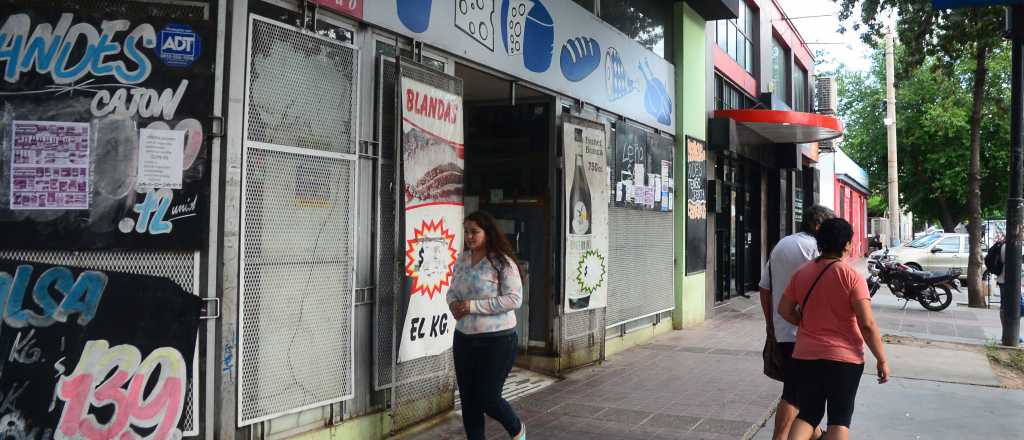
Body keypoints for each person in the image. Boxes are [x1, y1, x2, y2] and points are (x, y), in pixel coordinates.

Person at [778, 218, 890, 440]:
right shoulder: (851, 277)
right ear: (847, 244)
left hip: (806, 355)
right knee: (839, 419)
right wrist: (882, 359)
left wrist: (806, 323)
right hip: (844, 359)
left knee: (808, 415)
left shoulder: (802, 273)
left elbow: (784, 309)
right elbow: (867, 324)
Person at [447, 211, 526, 440]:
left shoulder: (502, 262)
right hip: (464, 339)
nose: (469, 237)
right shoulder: (462, 260)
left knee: (488, 397)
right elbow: (452, 290)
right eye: (466, 232)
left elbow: (514, 299)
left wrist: (472, 306)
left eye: (475, 232)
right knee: (469, 400)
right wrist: (453, 304)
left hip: (497, 340)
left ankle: (517, 429)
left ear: (487, 233)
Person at [758, 205, 835, 440]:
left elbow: (764, 288)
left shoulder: (782, 245)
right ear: (818, 226)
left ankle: (816, 435)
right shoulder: (817, 249)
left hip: (783, 331)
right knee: (793, 393)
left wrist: (771, 325)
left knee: (801, 389)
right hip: (806, 333)